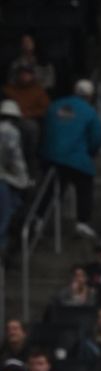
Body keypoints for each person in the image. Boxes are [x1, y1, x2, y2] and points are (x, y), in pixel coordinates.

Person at [40, 79, 101, 239]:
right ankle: (82, 222)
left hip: (50, 156)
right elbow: (96, 138)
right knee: (84, 185)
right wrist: (90, 152)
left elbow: (46, 127)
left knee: (52, 189)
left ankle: (38, 219)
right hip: (75, 158)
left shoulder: (55, 105)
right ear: (90, 96)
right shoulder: (90, 112)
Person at [0, 100, 30, 255]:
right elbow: (15, 158)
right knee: (6, 212)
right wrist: (23, 180)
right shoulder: (11, 132)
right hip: (3, 179)